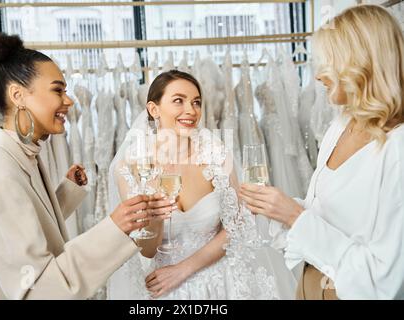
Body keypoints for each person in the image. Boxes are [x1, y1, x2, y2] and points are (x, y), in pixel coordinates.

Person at [0, 34, 173, 299]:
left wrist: (66, 192)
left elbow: (27, 223)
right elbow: (39, 290)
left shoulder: (19, 155)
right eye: (57, 90)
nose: (69, 100)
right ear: (18, 95)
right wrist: (114, 228)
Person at [239, 4, 404, 299]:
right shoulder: (341, 125)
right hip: (310, 283)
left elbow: (382, 282)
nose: (317, 76)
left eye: (327, 61)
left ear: (360, 63)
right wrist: (278, 210)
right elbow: (326, 215)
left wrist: (293, 216)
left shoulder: (397, 149)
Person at [107, 70, 296, 300]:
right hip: (163, 287)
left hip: (222, 282)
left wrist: (184, 269)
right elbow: (146, 250)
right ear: (153, 109)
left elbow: (236, 225)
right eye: (179, 100)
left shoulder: (216, 154)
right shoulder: (131, 167)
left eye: (196, 102)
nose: (191, 110)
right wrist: (155, 217)